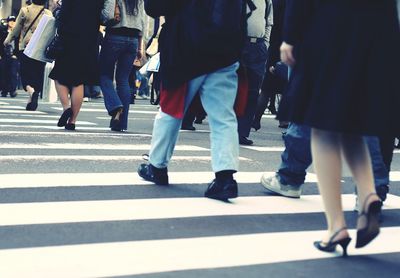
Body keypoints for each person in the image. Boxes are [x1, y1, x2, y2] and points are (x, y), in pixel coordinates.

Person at [280, 0, 400, 256]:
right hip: (378, 27)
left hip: (329, 25)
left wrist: (290, 35)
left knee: (322, 128)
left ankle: (336, 226)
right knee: (351, 120)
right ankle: (368, 194)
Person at [138, 0, 247, 200]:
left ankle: (157, 165)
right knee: (223, 116)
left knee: (171, 110)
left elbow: (154, 7)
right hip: (224, 49)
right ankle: (225, 177)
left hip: (186, 47)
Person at [49, 0, 103, 130]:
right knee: (78, 81)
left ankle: (66, 107)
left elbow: (63, 15)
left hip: (68, 38)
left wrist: (56, 10)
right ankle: (72, 121)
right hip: (88, 40)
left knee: (59, 75)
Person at [100, 0, 145, 132]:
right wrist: (139, 47)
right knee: (123, 80)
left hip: (115, 35)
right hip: (133, 40)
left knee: (104, 75)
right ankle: (121, 123)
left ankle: (115, 106)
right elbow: (141, 21)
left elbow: (108, 15)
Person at [4, 0, 52, 110]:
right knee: (38, 73)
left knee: (25, 73)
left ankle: (31, 91)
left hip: (26, 46)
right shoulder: (48, 13)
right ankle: (31, 101)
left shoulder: (25, 10)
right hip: (41, 47)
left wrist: (8, 40)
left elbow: (16, 29)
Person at [237, 0, 273, 146]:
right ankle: (230, 130)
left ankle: (242, 132)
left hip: (258, 47)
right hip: (239, 44)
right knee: (234, 90)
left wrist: (265, 43)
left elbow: (269, 22)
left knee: (252, 93)